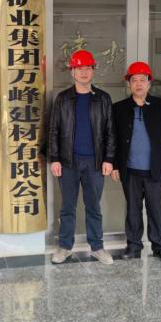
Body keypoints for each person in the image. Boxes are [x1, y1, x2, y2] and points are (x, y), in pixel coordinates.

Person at [48, 49, 116, 265]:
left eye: (88, 68)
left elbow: (110, 132)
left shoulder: (103, 99)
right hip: (68, 161)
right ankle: (64, 247)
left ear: (93, 71)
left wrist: (109, 159)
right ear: (72, 72)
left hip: (95, 162)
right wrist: (55, 158)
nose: (84, 72)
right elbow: (54, 130)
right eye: (79, 68)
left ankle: (97, 247)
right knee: (68, 207)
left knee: (93, 206)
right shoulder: (63, 98)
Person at [111, 61, 161, 264]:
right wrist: (114, 165)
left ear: (149, 83)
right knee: (133, 209)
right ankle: (133, 246)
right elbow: (113, 139)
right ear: (129, 84)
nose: (139, 84)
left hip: (155, 169)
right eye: (134, 80)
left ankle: (159, 247)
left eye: (143, 80)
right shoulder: (119, 108)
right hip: (130, 170)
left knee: (154, 208)